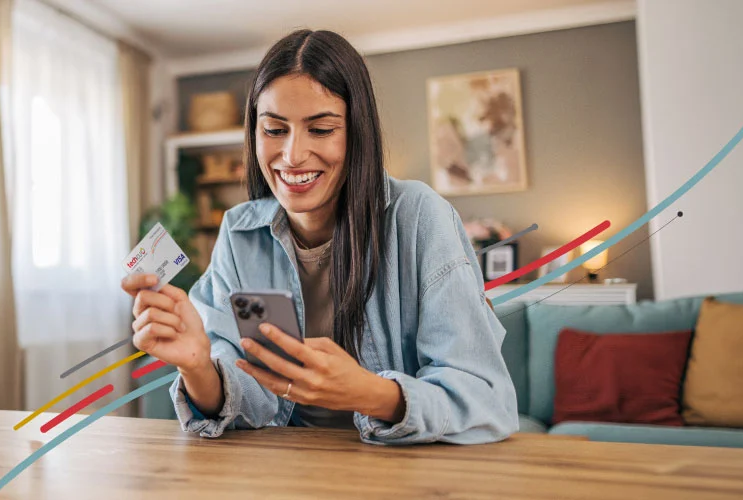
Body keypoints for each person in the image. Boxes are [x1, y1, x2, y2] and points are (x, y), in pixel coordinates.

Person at [121, 29, 518, 445]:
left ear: (356, 133)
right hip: (287, 470)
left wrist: (370, 393)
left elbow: (488, 402)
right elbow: (254, 397)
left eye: (321, 129)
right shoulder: (241, 236)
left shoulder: (419, 217)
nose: (292, 155)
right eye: (274, 130)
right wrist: (198, 366)